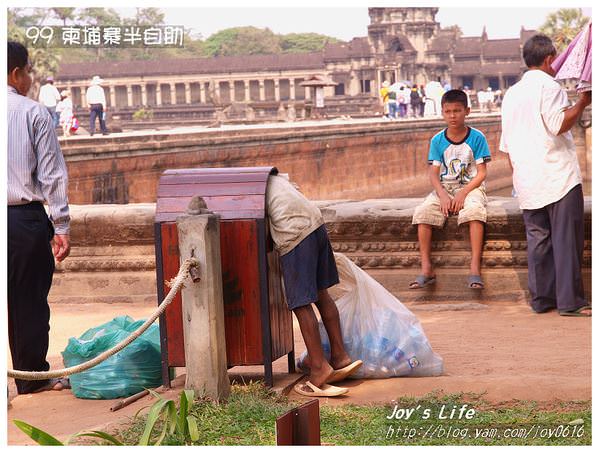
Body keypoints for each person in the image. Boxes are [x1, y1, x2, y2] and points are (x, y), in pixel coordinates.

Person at [500, 34, 592, 317]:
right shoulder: (550, 87)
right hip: (557, 177)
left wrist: (519, 176)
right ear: (550, 59)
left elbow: (506, 144)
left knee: (538, 241)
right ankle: (570, 301)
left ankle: (542, 300)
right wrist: (582, 103)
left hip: (528, 178)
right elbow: (558, 124)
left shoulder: (511, 94)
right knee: (566, 241)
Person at [8, 41, 71, 394]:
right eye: (29, 71)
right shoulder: (33, 113)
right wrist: (60, 226)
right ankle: (31, 377)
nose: (30, 78)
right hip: (22, 220)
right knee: (28, 300)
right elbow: (52, 176)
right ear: (17, 74)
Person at [266, 173, 362, 397]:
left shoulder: (246, 189)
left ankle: (319, 367)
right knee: (321, 294)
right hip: (315, 224)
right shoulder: (276, 177)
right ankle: (339, 356)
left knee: (300, 303)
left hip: (295, 232)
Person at [410, 89, 491, 290]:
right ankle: (426, 267)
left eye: (457, 111)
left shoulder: (477, 137)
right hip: (445, 186)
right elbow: (433, 173)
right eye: (448, 111)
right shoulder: (437, 140)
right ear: (442, 112)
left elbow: (481, 173)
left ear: (467, 111)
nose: (452, 116)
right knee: (423, 213)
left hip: (471, 186)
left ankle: (474, 268)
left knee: (474, 212)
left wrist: (464, 192)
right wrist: (443, 195)